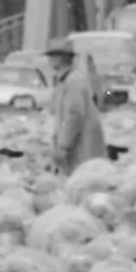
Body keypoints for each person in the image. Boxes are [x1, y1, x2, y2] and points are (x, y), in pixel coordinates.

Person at [42, 38, 108, 177]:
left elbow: (74, 116)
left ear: (64, 57)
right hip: (75, 151)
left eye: (54, 55)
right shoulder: (64, 81)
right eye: (50, 55)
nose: (50, 59)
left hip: (82, 152)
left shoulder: (74, 81)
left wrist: (63, 147)